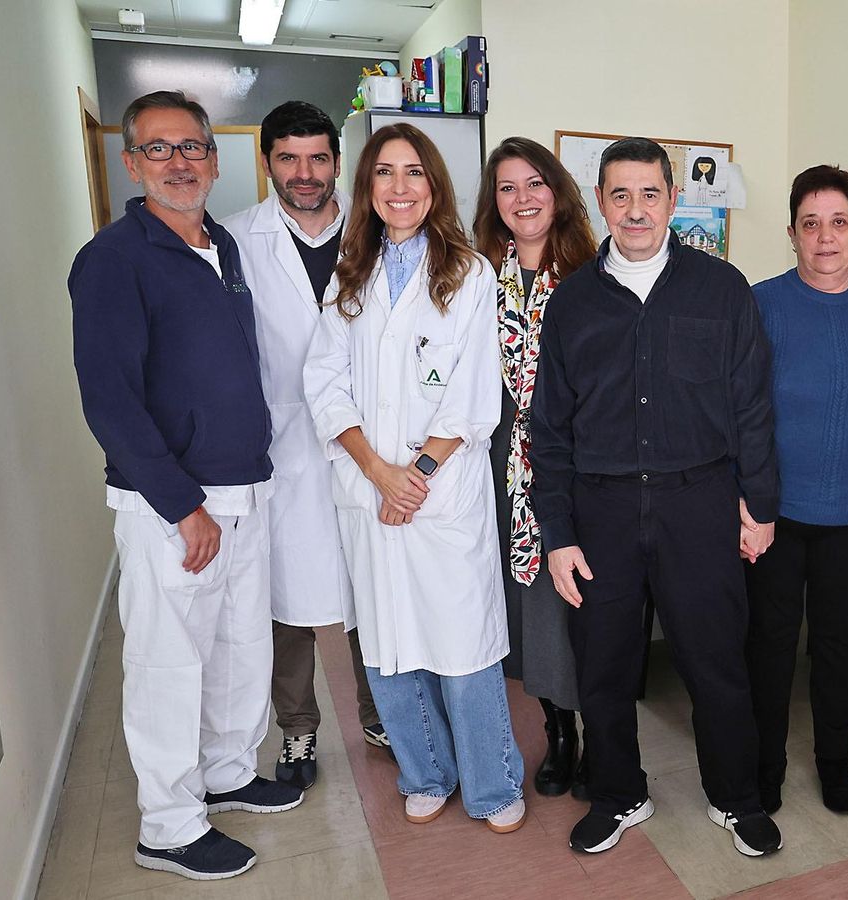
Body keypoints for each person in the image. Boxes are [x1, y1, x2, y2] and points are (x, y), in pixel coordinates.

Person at [70, 90, 303, 881]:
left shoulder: (223, 246)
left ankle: (229, 772)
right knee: (171, 663)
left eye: (192, 148)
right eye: (159, 149)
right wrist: (183, 506)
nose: (179, 163)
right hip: (175, 505)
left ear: (214, 156)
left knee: (240, 645)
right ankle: (168, 825)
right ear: (131, 162)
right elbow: (110, 402)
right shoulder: (113, 260)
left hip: (245, 489)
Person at [531, 137, 783, 857]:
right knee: (604, 667)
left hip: (699, 503)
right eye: (620, 194)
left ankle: (736, 798)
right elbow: (547, 429)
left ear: (674, 199)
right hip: (601, 510)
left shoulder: (722, 289)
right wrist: (559, 533)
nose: (635, 210)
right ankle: (618, 793)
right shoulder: (573, 302)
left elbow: (753, 408)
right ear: (600, 202)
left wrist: (759, 507)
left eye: (649, 194)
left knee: (715, 662)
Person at [302, 123, 526, 833]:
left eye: (414, 173)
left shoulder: (469, 270)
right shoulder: (351, 271)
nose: (400, 188)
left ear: (434, 186)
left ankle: (493, 786)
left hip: (441, 489)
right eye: (385, 174)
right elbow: (323, 380)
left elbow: (471, 395)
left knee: (463, 646)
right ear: (367, 188)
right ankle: (425, 773)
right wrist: (378, 472)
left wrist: (416, 474)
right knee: (388, 645)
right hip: (373, 489)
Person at [221, 100, 384, 793]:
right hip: (280, 445)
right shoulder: (232, 239)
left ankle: (383, 714)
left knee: (371, 586)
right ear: (266, 164)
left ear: (338, 164)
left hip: (368, 441)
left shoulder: (380, 230)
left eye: (319, 158)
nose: (305, 173)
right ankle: (298, 731)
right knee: (286, 600)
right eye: (288, 158)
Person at [746, 165, 848, 815]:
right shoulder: (761, 304)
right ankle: (765, 763)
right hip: (775, 511)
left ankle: (834, 760)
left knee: (838, 641)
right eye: (811, 225)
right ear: (792, 234)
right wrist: (747, 504)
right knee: (771, 641)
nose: (825, 238)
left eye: (838, 224)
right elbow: (736, 411)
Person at [471, 137, 599, 798]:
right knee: (526, 611)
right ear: (494, 203)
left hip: (575, 462)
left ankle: (599, 734)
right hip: (499, 463)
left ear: (557, 190)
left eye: (535, 183)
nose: (523, 199)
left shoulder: (592, 270)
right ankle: (558, 733)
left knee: (575, 604)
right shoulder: (473, 275)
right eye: (508, 188)